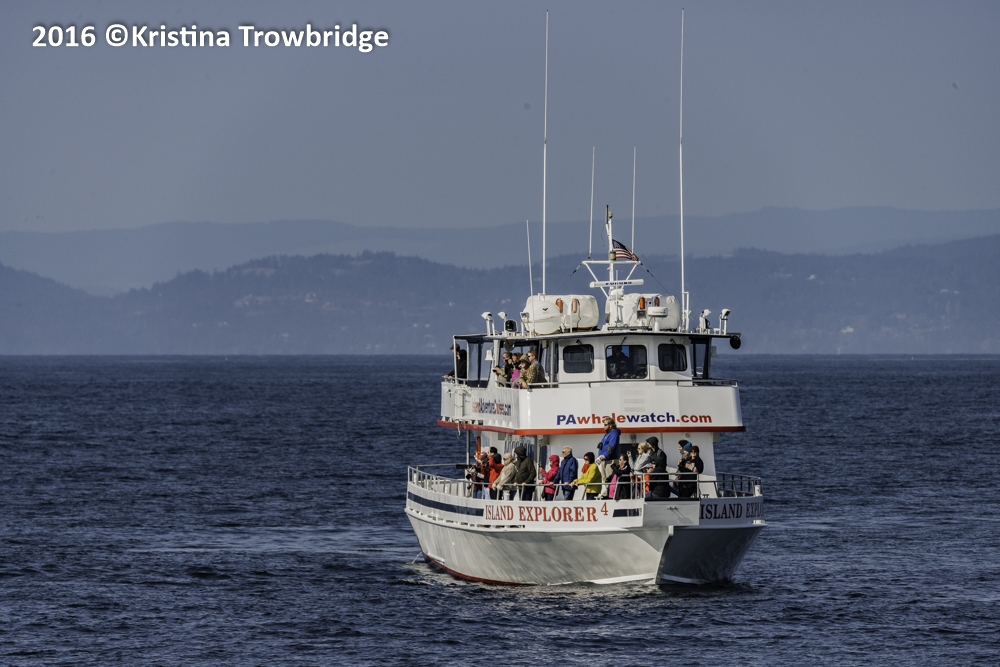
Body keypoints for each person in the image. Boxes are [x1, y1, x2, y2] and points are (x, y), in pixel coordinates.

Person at [596, 417, 620, 498]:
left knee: (610, 477)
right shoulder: (607, 434)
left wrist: (605, 455)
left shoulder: (614, 433)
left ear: (610, 425)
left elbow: (612, 445)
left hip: (610, 460)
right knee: (605, 477)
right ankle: (607, 492)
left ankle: (611, 494)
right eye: (604, 425)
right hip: (604, 460)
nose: (604, 426)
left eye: (605, 425)